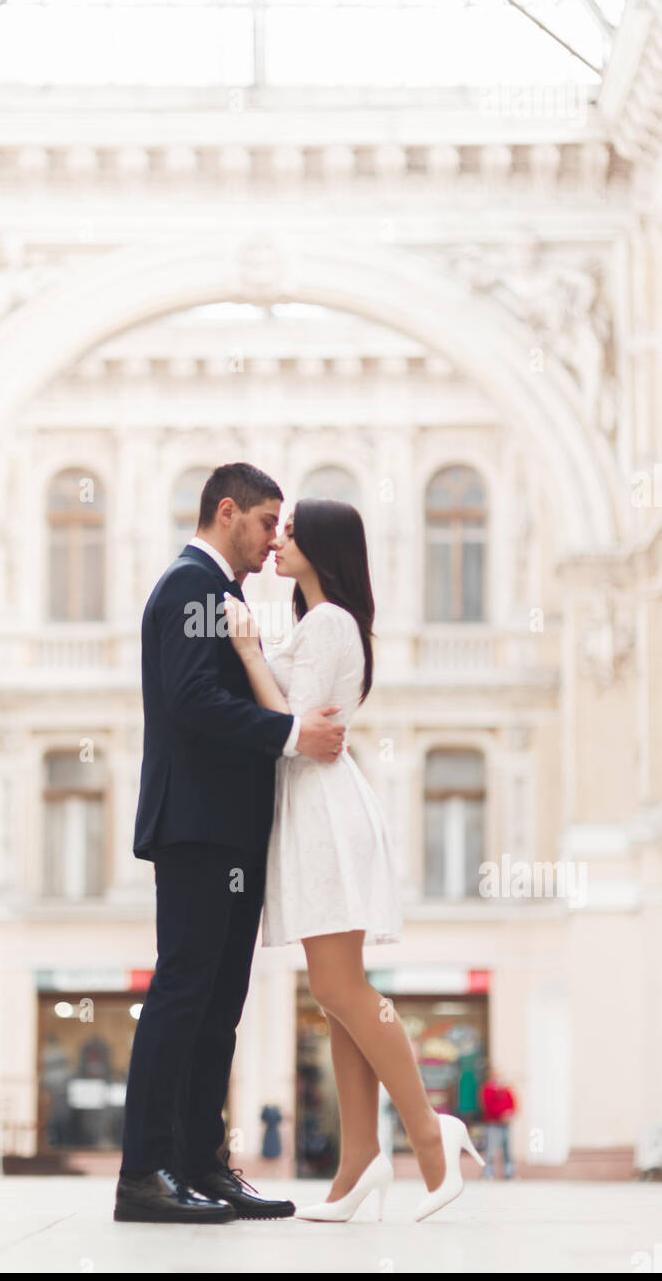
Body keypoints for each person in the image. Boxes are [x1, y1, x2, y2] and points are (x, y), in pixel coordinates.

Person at [222, 497, 485, 1222]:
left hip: (324, 814)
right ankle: (357, 1163)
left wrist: (248, 651)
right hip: (312, 810)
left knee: (341, 990)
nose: (277, 541)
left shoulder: (330, 621)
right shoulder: (319, 623)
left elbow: (291, 719)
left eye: (292, 533)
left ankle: (429, 1134)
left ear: (324, 548)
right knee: (334, 999)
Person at [114, 463, 347, 1224]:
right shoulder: (190, 587)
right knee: (182, 998)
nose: (274, 537)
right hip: (197, 828)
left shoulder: (224, 596)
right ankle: (145, 1173)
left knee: (217, 1007)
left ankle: (199, 1165)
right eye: (266, 521)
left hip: (227, 832)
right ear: (226, 511)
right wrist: (289, 733)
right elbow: (191, 701)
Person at [480, 1065, 517, 1179]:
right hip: (493, 1124)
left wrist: (509, 1114)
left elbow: (512, 1103)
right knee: (490, 1149)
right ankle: (488, 1173)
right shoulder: (488, 1089)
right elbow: (489, 1106)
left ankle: (509, 1173)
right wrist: (500, 1114)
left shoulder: (506, 1089)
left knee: (507, 1150)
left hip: (505, 1124)